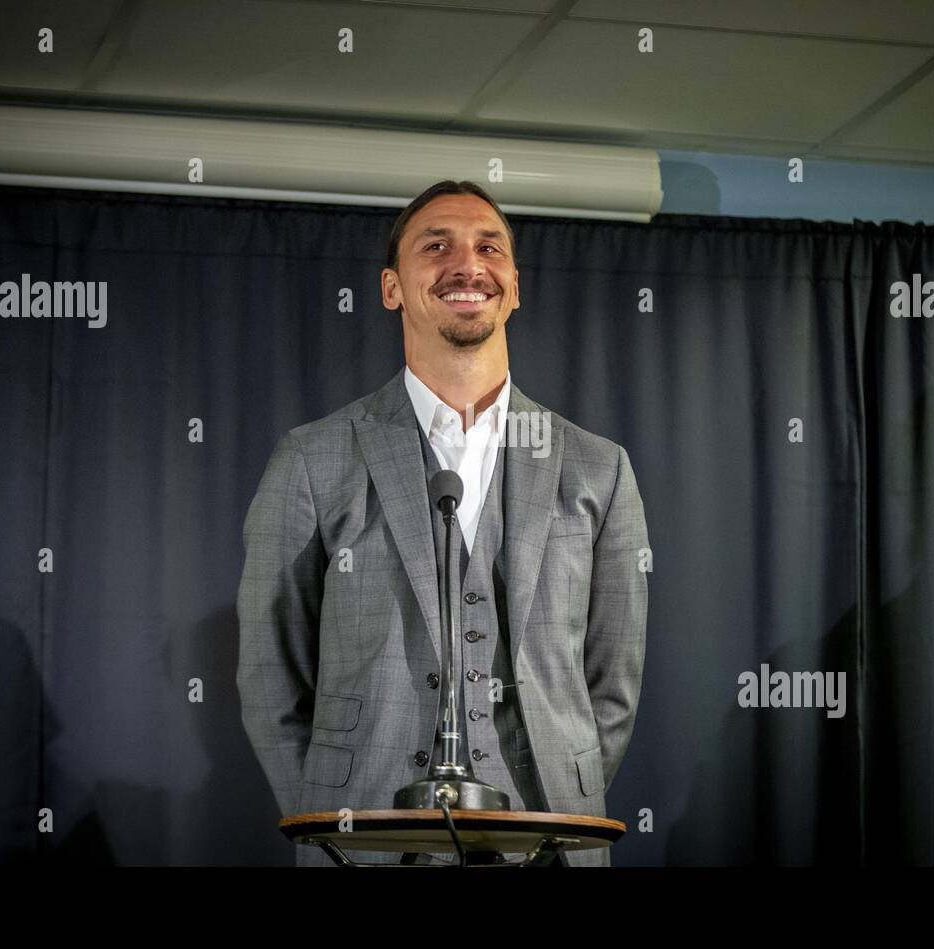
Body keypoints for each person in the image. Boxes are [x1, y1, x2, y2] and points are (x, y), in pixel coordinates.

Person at [236, 180, 649, 866]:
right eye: (437, 246)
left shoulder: (598, 468)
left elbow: (613, 681)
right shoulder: (312, 459)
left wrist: (563, 803)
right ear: (392, 287)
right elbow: (269, 675)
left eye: (490, 247)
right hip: (363, 841)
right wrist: (328, 816)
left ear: (515, 287)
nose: (468, 263)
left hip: (550, 839)